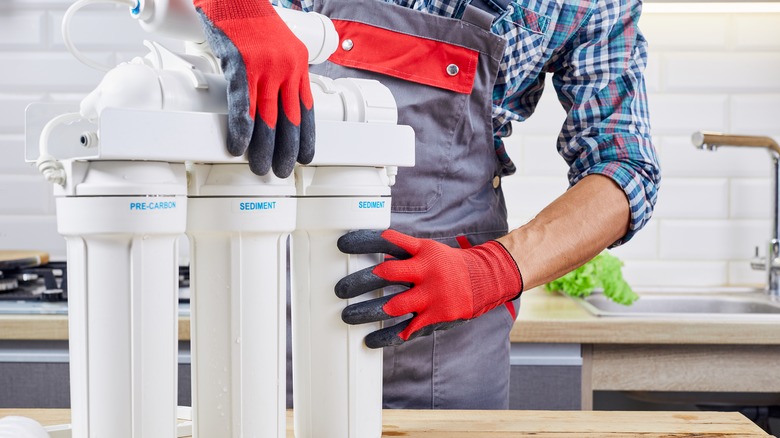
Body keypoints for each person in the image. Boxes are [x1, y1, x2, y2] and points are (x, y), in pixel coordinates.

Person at [193, 0, 660, 409]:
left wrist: (489, 272)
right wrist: (236, 6)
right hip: (271, 308)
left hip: (450, 345)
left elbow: (625, 168)